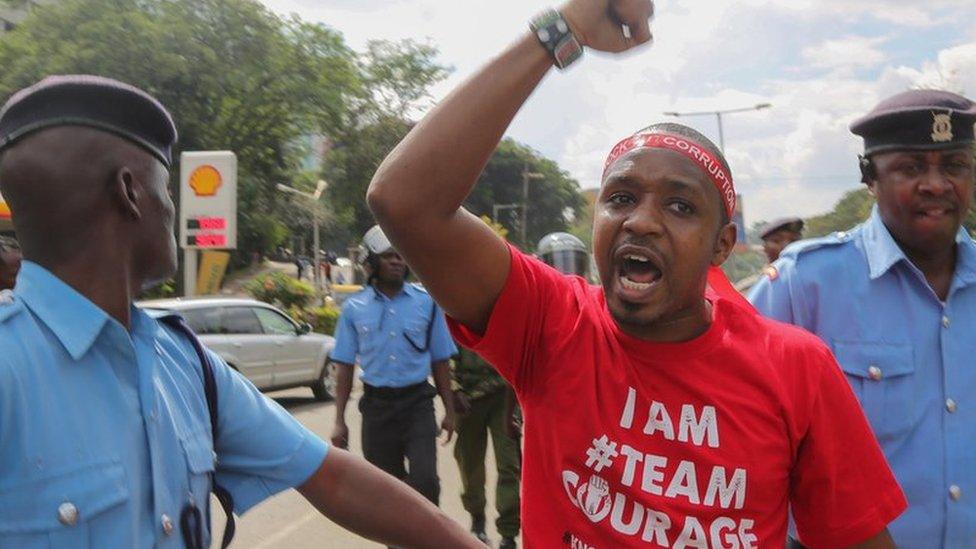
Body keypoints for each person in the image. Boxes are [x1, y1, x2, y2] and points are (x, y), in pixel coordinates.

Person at [363, 1, 908, 546]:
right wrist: (562, 30)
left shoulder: (797, 368)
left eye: (680, 206)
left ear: (723, 245)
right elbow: (405, 202)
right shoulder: (554, 323)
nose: (641, 221)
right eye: (621, 197)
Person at [0, 75, 479, 549]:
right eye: (166, 189)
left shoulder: (182, 361)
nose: (171, 208)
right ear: (129, 193)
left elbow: (334, 479)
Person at [749, 89, 976, 547]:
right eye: (911, 168)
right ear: (870, 178)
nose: (936, 184)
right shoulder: (804, 284)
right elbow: (734, 422)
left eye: (954, 165)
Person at [329, 225, 458, 509]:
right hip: (377, 409)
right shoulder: (354, 308)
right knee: (384, 492)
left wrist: (449, 410)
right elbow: (345, 368)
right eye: (389, 256)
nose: (397, 261)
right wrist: (339, 419)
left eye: (401, 256)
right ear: (372, 263)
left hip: (417, 405)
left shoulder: (428, 303)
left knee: (425, 482)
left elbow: (440, 360)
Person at [452, 346, 521, 548]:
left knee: (509, 464)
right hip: (468, 397)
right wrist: (454, 390)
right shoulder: (453, 314)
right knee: (469, 464)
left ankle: (508, 533)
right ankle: (477, 518)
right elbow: (443, 347)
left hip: (504, 393)